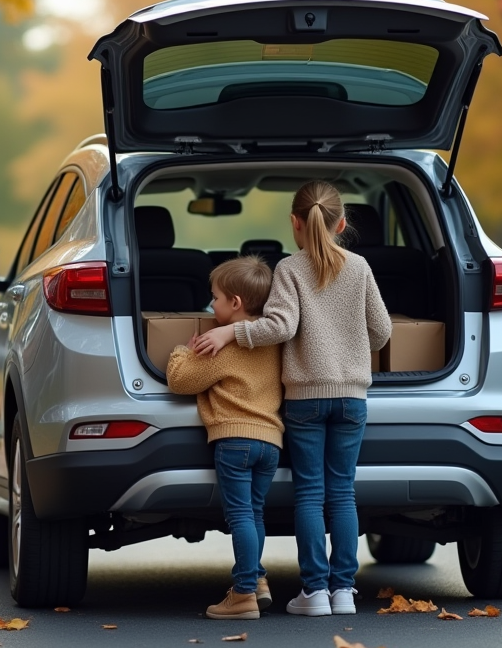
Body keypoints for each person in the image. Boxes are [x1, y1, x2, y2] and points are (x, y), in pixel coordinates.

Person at [193, 181, 391, 617]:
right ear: (341, 223)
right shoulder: (359, 268)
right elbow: (382, 332)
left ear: (295, 224)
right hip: (352, 397)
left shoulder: (290, 268)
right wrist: (349, 344)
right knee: (342, 493)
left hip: (304, 399)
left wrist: (231, 331)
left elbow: (279, 327)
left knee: (310, 494)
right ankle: (343, 592)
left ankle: (315, 593)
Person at [166, 257, 283, 620]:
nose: (210, 305)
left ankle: (244, 593)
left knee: (239, 516)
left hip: (235, 441)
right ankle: (258, 579)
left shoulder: (223, 346)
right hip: (271, 442)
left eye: (214, 298)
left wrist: (182, 351)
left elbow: (180, 381)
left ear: (235, 302)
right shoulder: (274, 343)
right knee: (256, 513)